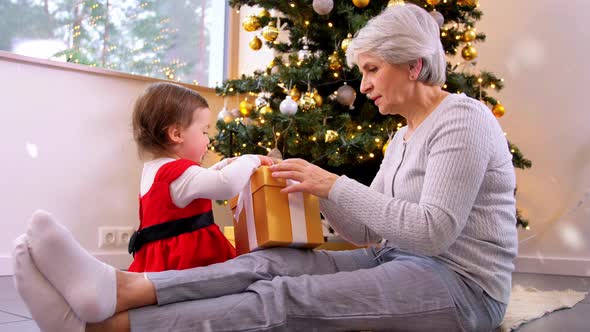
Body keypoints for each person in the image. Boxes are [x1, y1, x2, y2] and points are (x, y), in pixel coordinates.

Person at [13, 4, 517, 332]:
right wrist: (316, 190)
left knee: (288, 297)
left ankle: (106, 329)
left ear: (412, 65)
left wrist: (334, 182)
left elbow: (433, 233)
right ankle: (118, 288)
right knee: (270, 264)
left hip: (462, 287)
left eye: (370, 70)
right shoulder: (404, 134)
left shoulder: (462, 121)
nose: (363, 86)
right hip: (395, 260)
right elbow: (365, 230)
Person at [130, 82, 274, 272]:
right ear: (176, 133)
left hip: (160, 259)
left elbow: (192, 186)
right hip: (190, 263)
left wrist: (223, 165)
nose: (208, 139)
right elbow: (226, 185)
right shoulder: (179, 173)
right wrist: (251, 159)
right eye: (204, 131)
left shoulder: (155, 170)